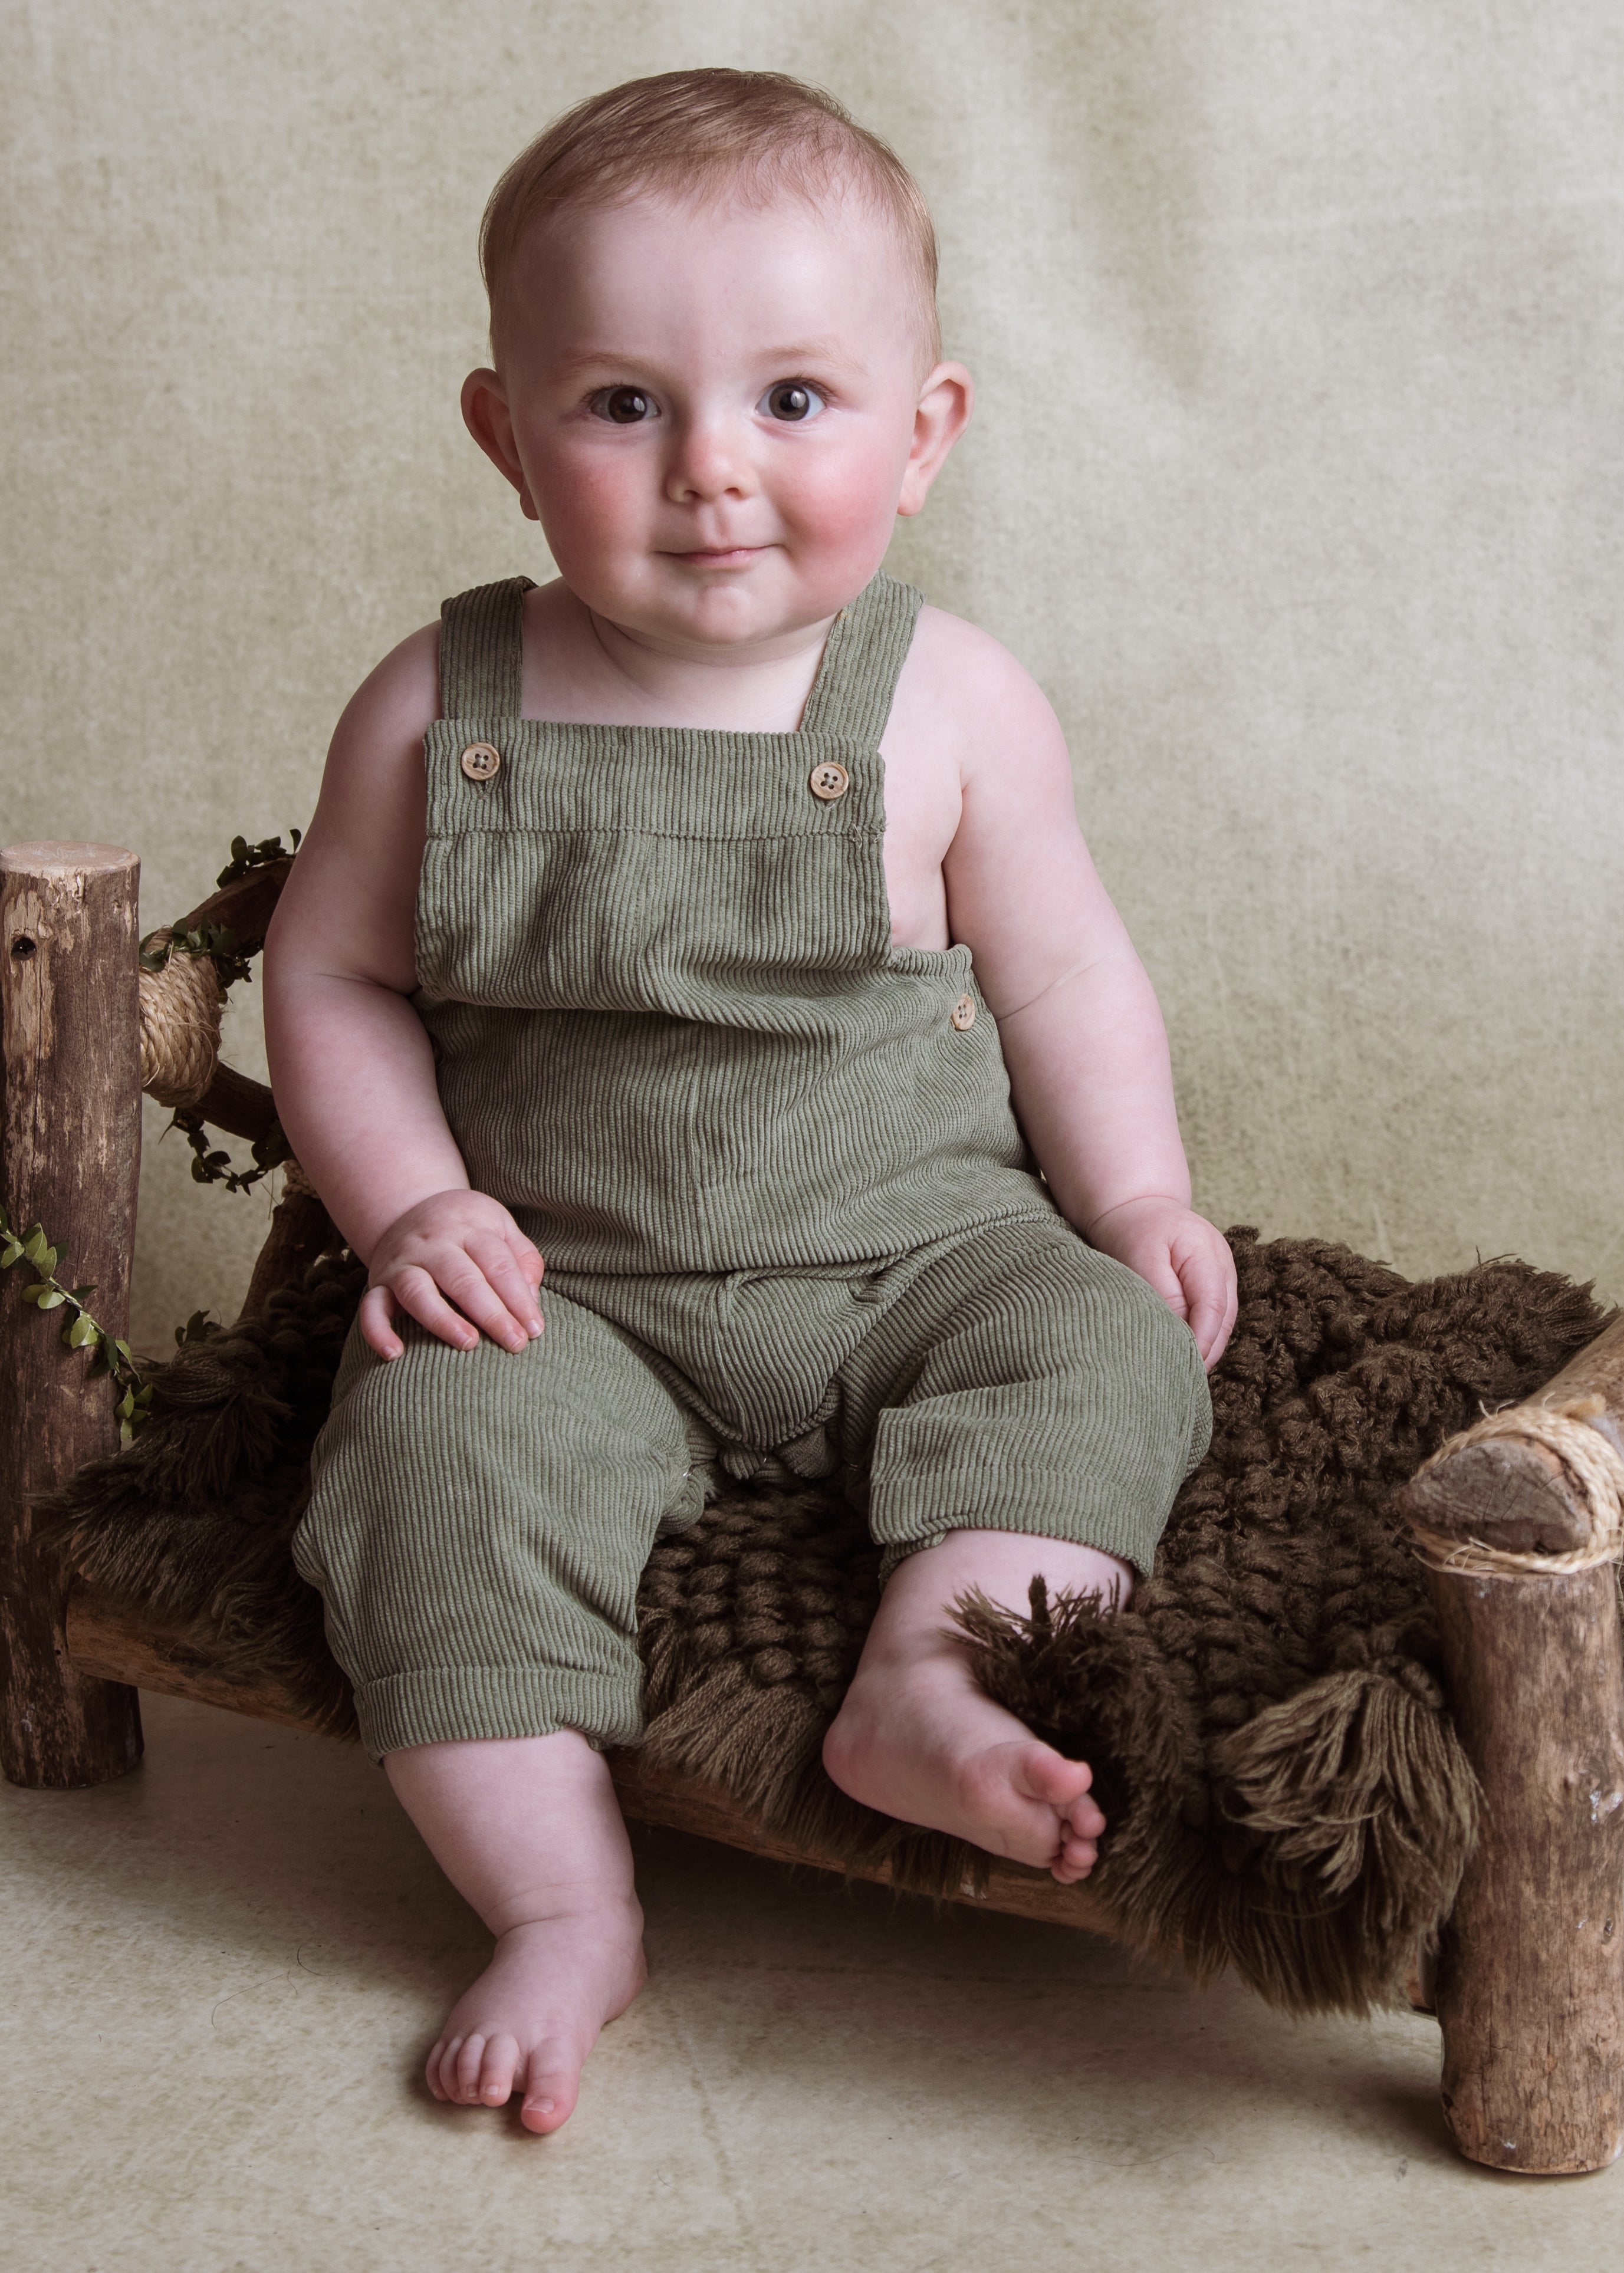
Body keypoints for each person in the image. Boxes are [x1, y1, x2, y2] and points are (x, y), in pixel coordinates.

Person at [264, 66, 1237, 2137]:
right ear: (505, 436)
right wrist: (412, 1209)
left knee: (1100, 1348)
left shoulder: (952, 703)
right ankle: (556, 1905)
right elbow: (329, 974)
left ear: (924, 431)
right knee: (427, 1462)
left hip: (920, 1257)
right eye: (623, 405)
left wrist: (1135, 1199)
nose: (712, 468)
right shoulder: (436, 704)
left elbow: (1064, 971)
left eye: (795, 399)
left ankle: (935, 1676)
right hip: (572, 1296)